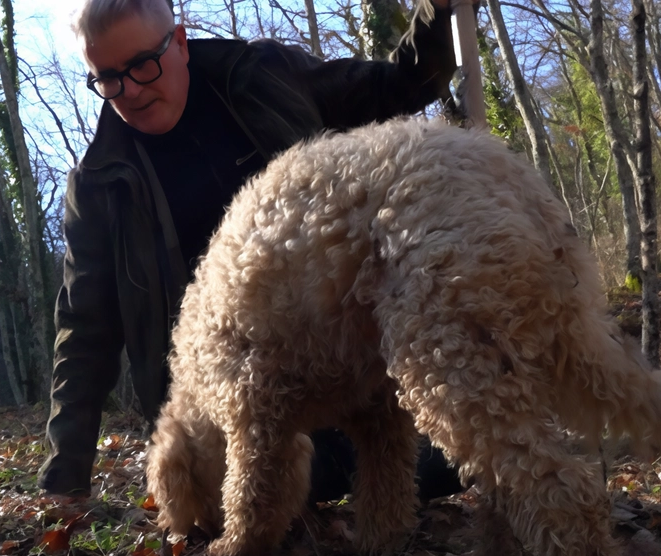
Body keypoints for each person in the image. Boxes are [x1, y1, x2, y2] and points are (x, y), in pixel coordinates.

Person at [38, 0, 463, 501]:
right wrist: (64, 477)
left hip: (337, 363)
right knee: (275, 491)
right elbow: (85, 329)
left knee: (445, 464)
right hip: (218, 412)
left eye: (141, 66)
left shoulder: (263, 78)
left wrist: (437, 12)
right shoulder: (97, 184)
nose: (128, 91)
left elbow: (399, 85)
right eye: (107, 78)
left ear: (178, 42)